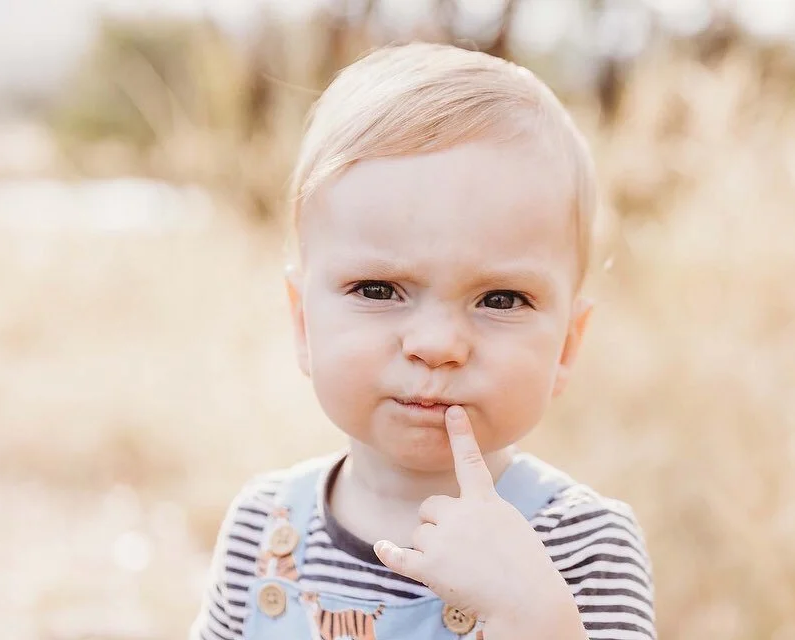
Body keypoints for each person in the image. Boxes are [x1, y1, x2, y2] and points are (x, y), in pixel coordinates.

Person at [191, 42, 655, 640]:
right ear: (304, 323)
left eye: (501, 299)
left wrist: (539, 622)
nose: (436, 345)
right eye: (379, 289)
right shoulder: (263, 529)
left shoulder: (582, 546)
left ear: (566, 346)